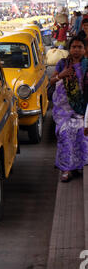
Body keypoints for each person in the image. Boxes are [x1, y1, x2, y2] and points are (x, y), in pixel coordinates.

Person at [49, 36, 88, 182]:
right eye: (74, 47)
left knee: (80, 135)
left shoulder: (87, 65)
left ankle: (77, 166)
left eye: (80, 47)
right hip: (63, 110)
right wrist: (61, 75)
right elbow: (51, 81)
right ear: (69, 49)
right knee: (65, 135)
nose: (76, 50)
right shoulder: (62, 64)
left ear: (84, 50)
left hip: (82, 108)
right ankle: (66, 169)